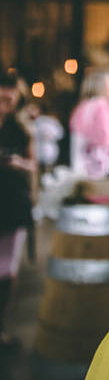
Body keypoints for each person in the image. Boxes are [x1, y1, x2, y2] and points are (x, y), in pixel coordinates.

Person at [0, 75, 36, 349]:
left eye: (10, 101)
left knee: (7, 272)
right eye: (1, 100)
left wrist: (17, 163)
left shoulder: (19, 128)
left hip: (12, 203)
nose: (4, 106)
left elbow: (33, 164)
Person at [69, 69, 109, 178]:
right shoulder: (102, 105)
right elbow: (106, 136)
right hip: (103, 165)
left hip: (86, 163)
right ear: (102, 86)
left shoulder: (81, 107)